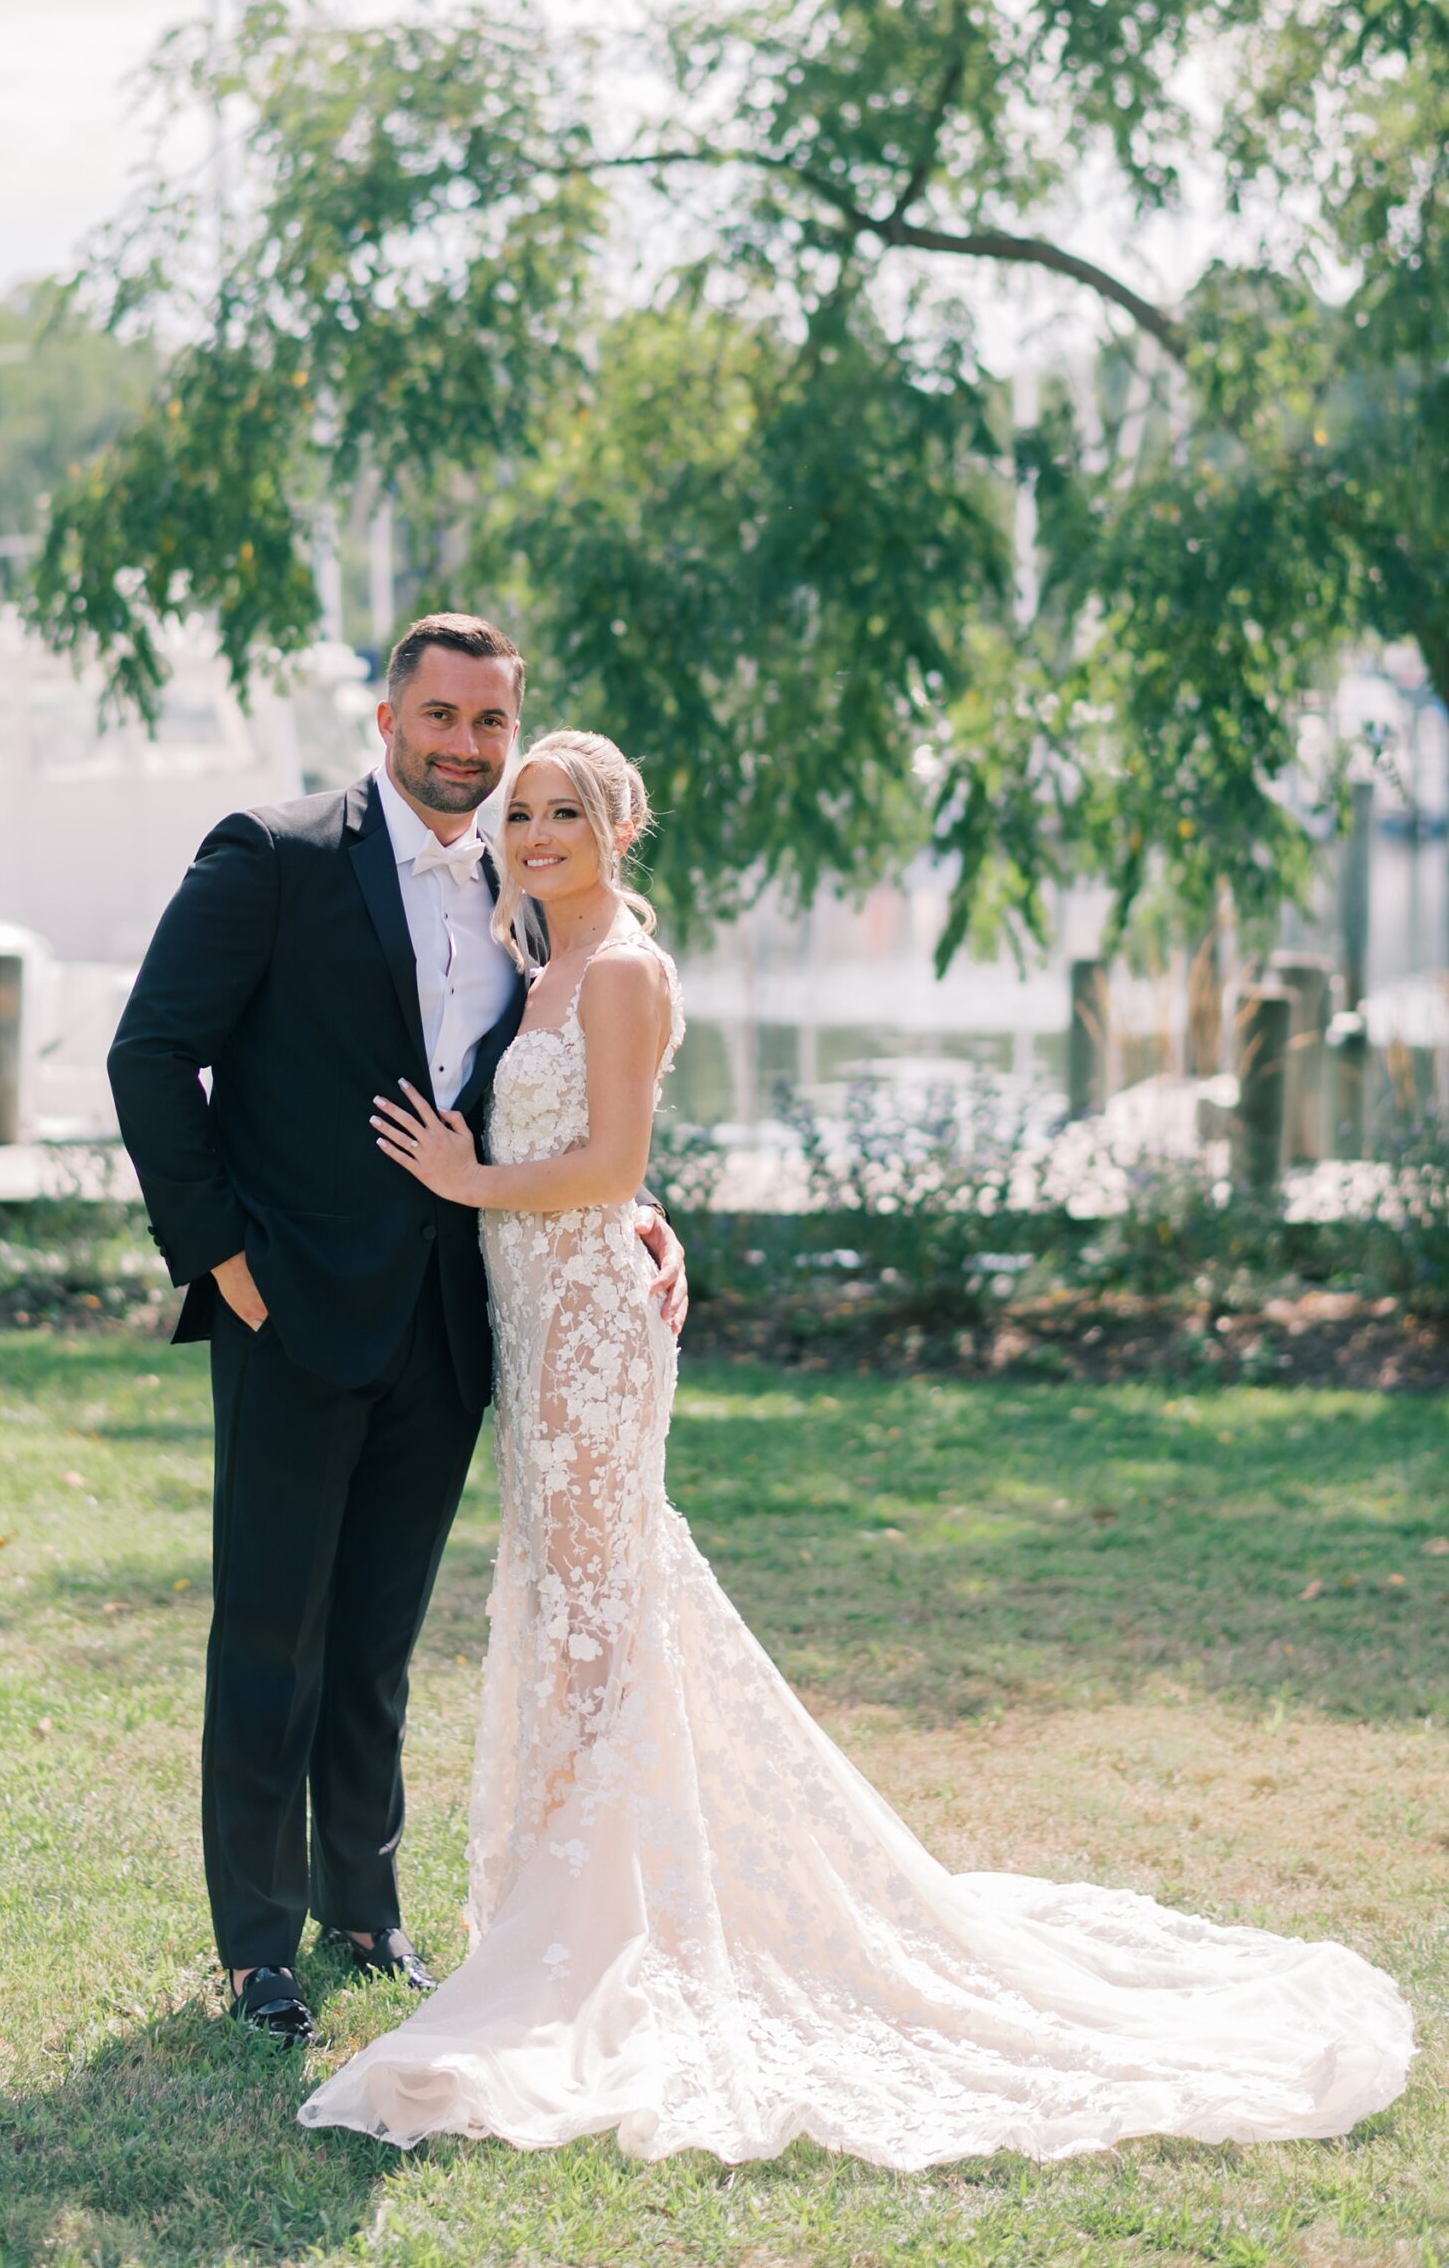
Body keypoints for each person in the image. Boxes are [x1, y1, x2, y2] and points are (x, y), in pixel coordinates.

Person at [297, 727, 1413, 2168]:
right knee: (574, 1601)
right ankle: (571, 1898)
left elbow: (618, 1165)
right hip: (542, 1316)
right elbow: (615, 1167)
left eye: (565, 812)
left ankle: (591, 1927)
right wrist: (591, 1210)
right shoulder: (539, 969)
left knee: (600, 1597)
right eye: (524, 815)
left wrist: (474, 1179)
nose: (537, 833)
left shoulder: (624, 969)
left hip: (588, 1332)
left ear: (616, 829)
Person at [108, 619, 688, 2048]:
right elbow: (147, 1054)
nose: (466, 748)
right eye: (440, 717)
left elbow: (555, 1089)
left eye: (490, 725)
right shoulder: (275, 853)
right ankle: (258, 1950)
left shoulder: (521, 887)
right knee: (271, 1632)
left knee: (375, 1642)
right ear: (387, 719)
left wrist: (642, 1210)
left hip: (449, 1330)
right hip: (289, 1312)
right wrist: (225, 1262)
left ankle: (363, 1912)